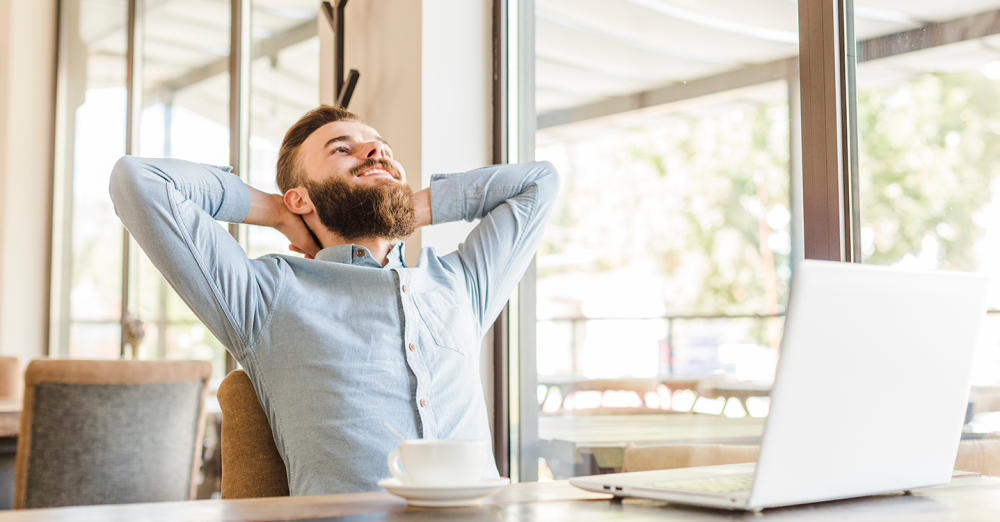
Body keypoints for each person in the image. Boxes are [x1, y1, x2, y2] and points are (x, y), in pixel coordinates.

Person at [109, 106, 559, 495]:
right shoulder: (264, 294)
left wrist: (408, 207)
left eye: (380, 147)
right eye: (342, 149)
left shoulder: (459, 282)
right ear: (300, 196)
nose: (376, 152)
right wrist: (277, 210)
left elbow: (540, 182)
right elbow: (139, 181)